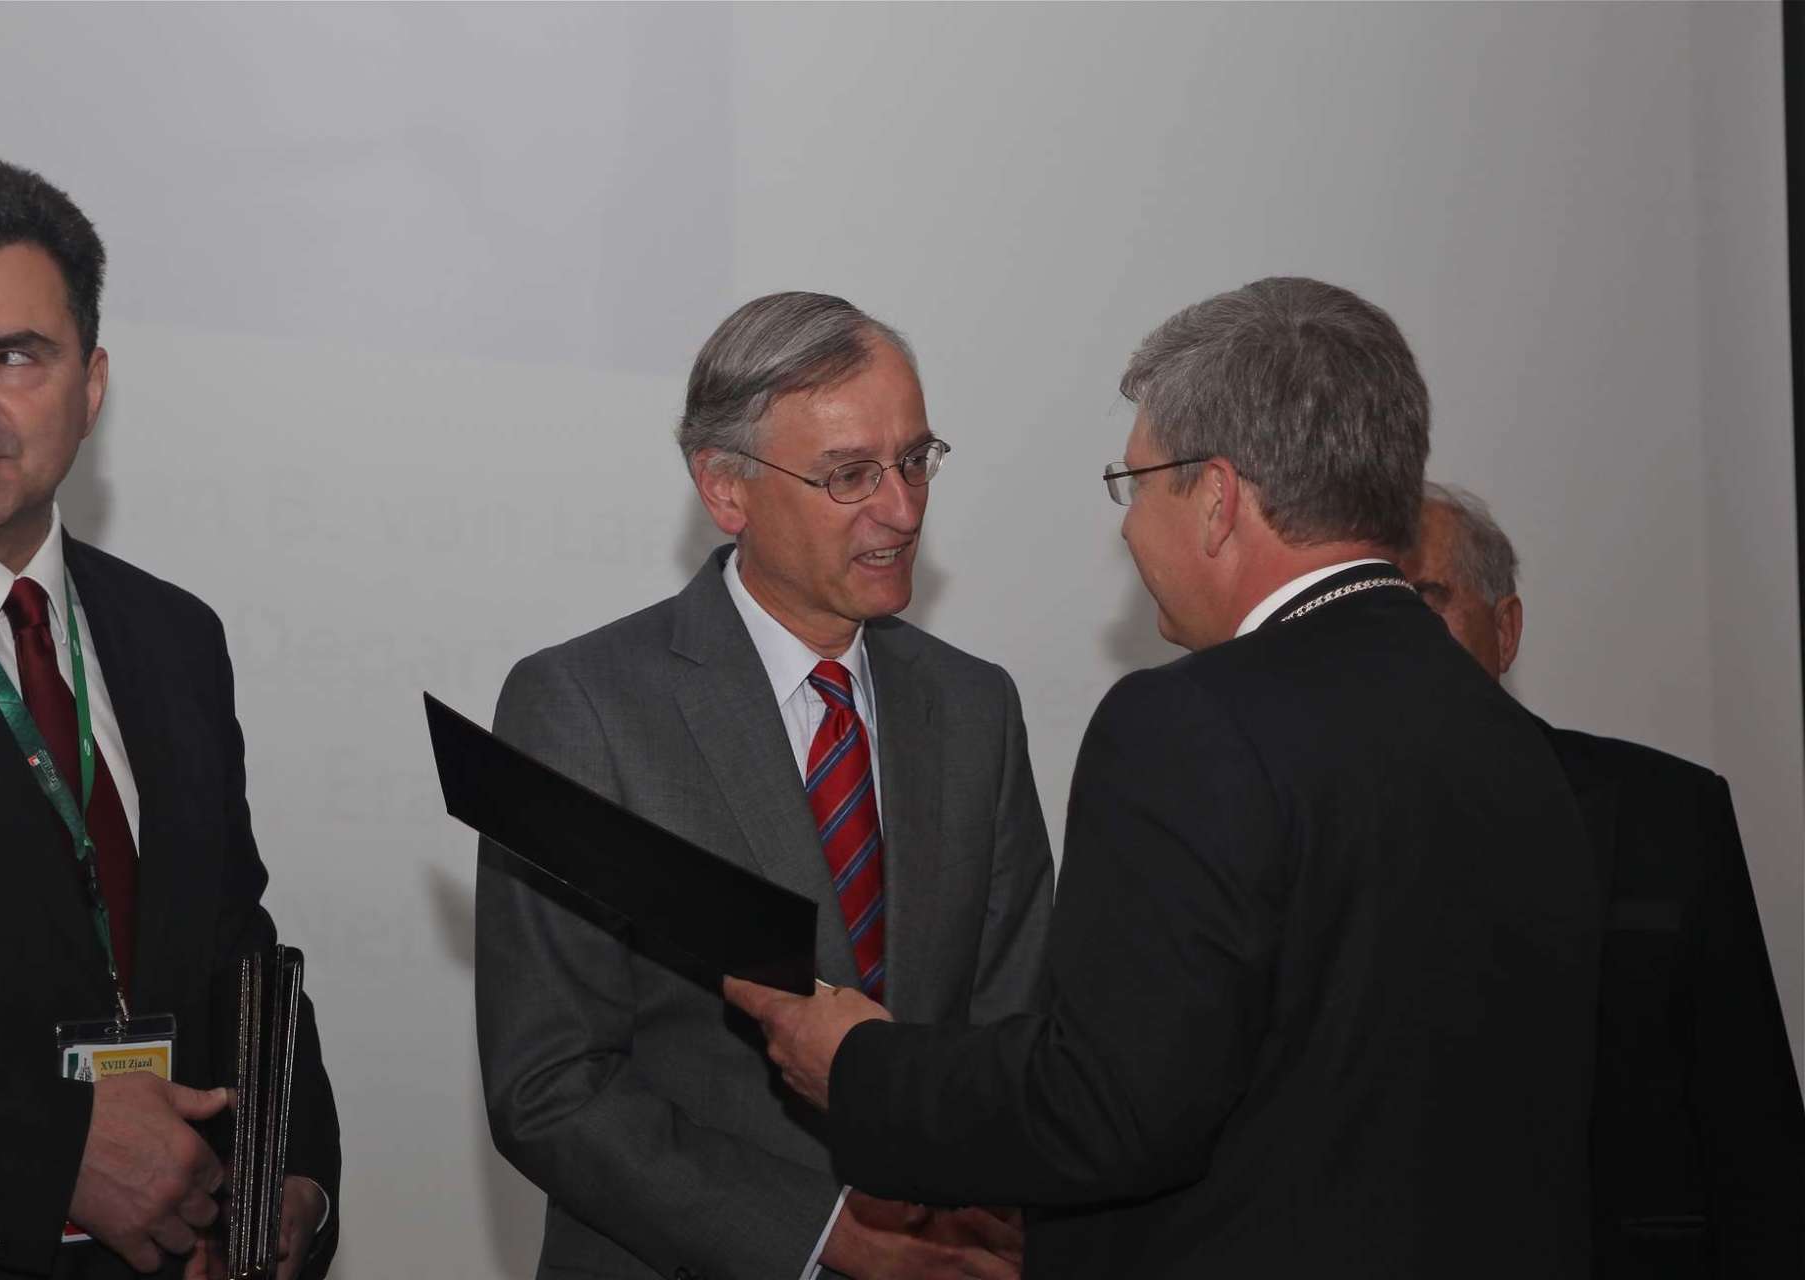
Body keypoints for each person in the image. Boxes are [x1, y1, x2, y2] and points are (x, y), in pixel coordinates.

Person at [728, 277, 1604, 1277]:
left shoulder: (1194, 723)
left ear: (1217, 499)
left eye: (1136, 484)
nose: (1128, 528)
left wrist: (859, 1067)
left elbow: (1109, 1107)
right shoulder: (1512, 740)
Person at [475, 291, 1054, 1280]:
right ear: (725, 488)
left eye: (916, 460)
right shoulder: (582, 708)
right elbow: (551, 1083)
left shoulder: (974, 706)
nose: (903, 509)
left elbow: (1017, 1032)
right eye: (850, 475)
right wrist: (829, 1239)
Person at [0, 157, 340, 1280]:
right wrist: (54, 1152)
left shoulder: (172, 636)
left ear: (90, 389)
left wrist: (288, 1175)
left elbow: (233, 941)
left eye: (13, 355)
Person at [1403, 480, 1805, 1276]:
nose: (1391, 639)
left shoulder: (1669, 815)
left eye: (1423, 603)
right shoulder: (1286, 826)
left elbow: (1752, 1132)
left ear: (1505, 630)